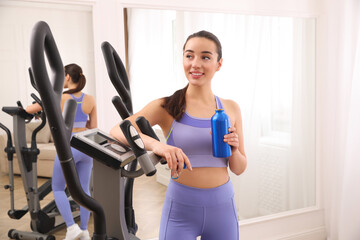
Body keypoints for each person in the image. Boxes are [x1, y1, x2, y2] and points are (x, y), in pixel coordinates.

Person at [110, 30, 247, 239]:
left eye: (205, 57)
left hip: (223, 209)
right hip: (181, 209)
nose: (195, 64)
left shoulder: (230, 108)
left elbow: (239, 168)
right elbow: (118, 129)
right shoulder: (167, 106)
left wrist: (234, 151)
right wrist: (158, 146)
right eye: (189, 55)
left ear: (219, 64)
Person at [26, 63, 97, 240]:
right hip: (86, 147)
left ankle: (72, 228)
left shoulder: (60, 98)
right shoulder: (90, 99)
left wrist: (25, 109)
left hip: (69, 147)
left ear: (66, 77)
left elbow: (30, 109)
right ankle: (85, 231)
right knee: (84, 190)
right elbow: (93, 126)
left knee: (58, 188)